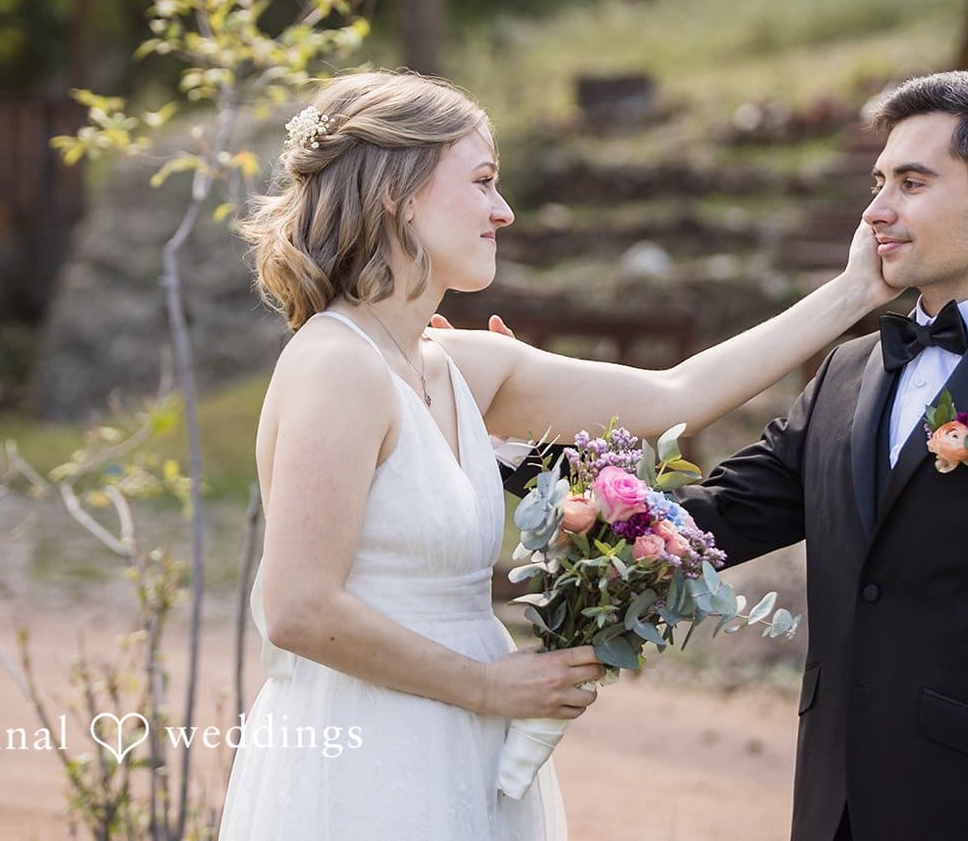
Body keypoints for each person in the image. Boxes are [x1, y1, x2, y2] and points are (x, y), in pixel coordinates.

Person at [217, 69, 896, 840]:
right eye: (482, 181)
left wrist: (854, 294)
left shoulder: (456, 367)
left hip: (464, 739)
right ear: (396, 194)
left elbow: (673, 395)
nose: (503, 210)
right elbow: (298, 608)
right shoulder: (337, 366)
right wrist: (487, 688)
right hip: (369, 752)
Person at [671, 70, 968, 840]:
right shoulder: (844, 373)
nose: (876, 211)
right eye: (878, 183)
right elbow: (713, 518)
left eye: (911, 182)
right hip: (831, 812)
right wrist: (514, 449)